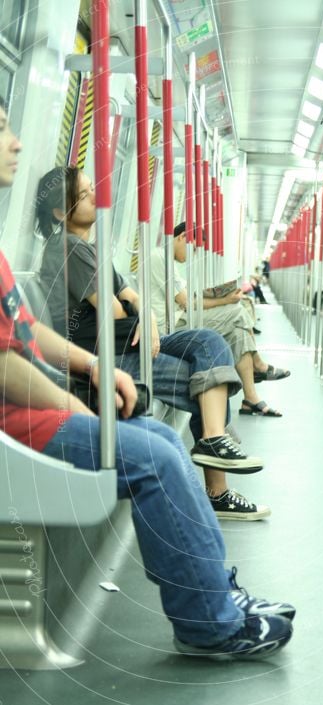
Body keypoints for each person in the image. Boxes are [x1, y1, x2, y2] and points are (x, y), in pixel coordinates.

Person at [0, 97, 294, 659]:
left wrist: (92, 365)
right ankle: (209, 622)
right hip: (20, 420)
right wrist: (74, 401)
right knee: (154, 457)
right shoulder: (65, 249)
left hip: (60, 387)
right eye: (2, 131)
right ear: (61, 212)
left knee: (161, 436)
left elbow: (29, 331)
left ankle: (217, 593)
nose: (15, 142)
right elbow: (7, 361)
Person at [36, 167, 270, 521]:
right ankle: (217, 487)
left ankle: (212, 441)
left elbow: (132, 297)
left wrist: (147, 316)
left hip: (132, 338)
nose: (95, 198)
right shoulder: (67, 248)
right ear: (58, 212)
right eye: (83, 195)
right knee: (204, 381)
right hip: (105, 354)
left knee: (208, 341)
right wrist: (138, 311)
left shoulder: (90, 248)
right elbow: (115, 310)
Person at [151, 223, 290, 418]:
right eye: (193, 249)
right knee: (238, 313)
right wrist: (224, 300)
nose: (192, 256)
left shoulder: (169, 262)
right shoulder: (160, 258)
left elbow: (185, 297)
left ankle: (251, 398)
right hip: (170, 324)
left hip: (179, 317)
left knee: (237, 328)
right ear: (182, 237)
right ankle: (258, 366)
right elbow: (185, 302)